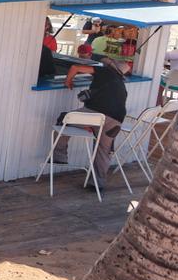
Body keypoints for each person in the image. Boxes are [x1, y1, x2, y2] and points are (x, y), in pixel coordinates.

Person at [54, 58, 131, 187]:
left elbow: (75, 68)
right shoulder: (120, 84)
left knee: (64, 119)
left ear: (110, 66)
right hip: (116, 120)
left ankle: (59, 155)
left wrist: (68, 81)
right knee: (103, 150)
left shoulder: (105, 71)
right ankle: (97, 183)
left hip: (95, 114)